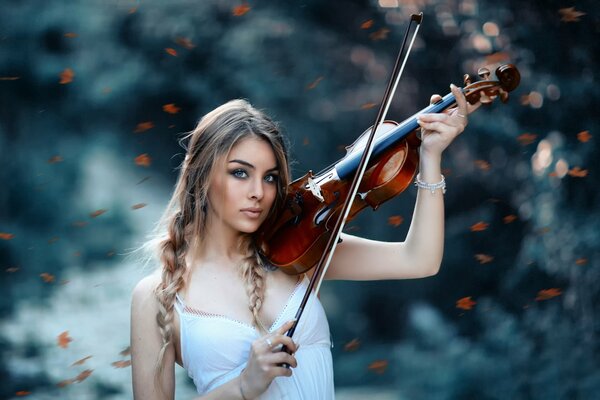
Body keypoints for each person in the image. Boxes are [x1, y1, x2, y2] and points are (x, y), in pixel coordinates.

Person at [131, 85, 474, 400]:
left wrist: (430, 159)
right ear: (202, 176)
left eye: (270, 178)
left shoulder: (297, 248)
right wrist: (242, 385)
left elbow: (419, 260)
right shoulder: (157, 297)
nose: (258, 192)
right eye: (240, 172)